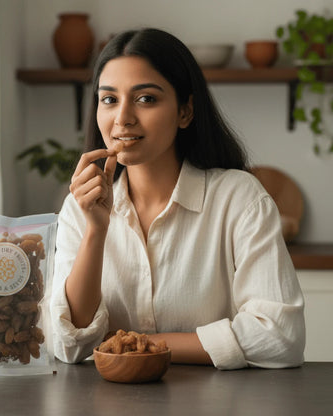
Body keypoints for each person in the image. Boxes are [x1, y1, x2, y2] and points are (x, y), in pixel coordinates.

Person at [50, 28, 305, 369]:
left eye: (146, 99)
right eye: (109, 99)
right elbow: (69, 344)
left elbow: (279, 336)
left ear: (185, 111)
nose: (122, 118)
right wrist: (96, 231)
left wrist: (143, 345)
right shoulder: (78, 209)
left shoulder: (239, 198)